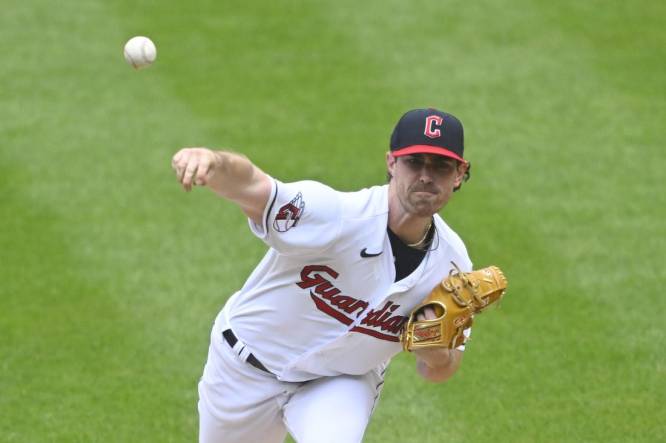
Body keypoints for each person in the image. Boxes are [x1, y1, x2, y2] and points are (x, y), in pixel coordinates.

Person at [171, 108, 472, 443]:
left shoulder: (453, 266)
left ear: (460, 173)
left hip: (340, 382)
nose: (427, 176)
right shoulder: (338, 215)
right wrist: (214, 162)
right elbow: (257, 186)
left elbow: (442, 369)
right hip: (244, 369)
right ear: (391, 163)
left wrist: (435, 352)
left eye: (441, 166)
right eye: (415, 162)